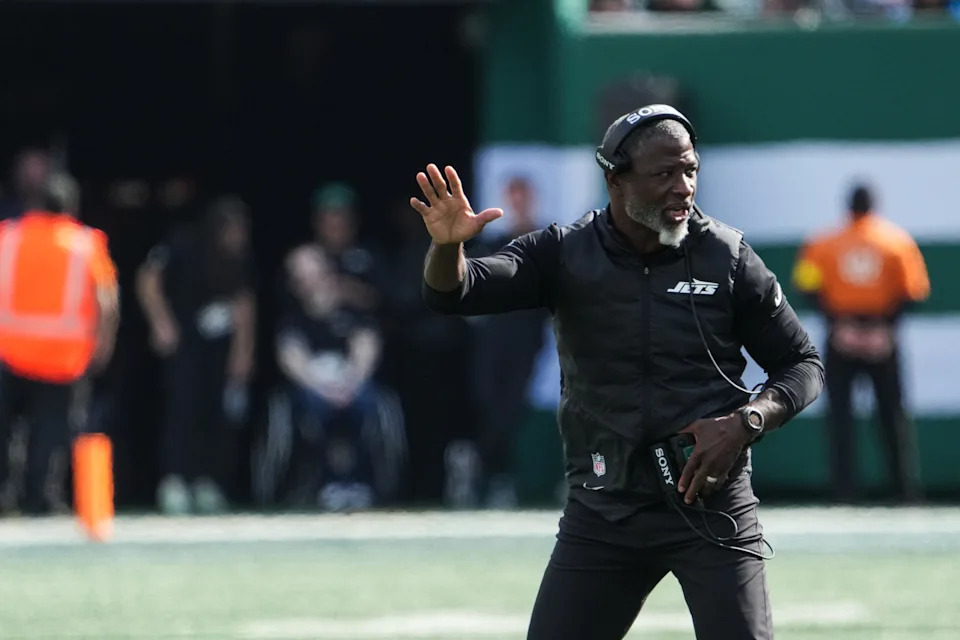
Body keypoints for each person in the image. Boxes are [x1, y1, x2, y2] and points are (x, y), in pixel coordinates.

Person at [411, 104, 824, 639]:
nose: (684, 187)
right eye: (664, 174)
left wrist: (747, 420)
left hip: (710, 506)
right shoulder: (564, 252)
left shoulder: (728, 256)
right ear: (615, 180)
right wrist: (447, 248)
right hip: (606, 511)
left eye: (691, 170)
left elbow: (803, 364)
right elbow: (454, 292)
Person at [793, 184, 930, 503]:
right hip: (881, 335)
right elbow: (914, 291)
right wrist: (882, 328)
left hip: (842, 334)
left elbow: (807, 287)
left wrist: (841, 326)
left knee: (840, 417)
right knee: (891, 416)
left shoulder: (823, 241)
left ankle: (843, 491)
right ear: (875, 205)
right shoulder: (896, 241)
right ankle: (903, 491)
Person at [0, 172, 119, 514]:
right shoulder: (85, 244)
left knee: (6, 429)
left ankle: (5, 495)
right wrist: (103, 345)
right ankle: (41, 497)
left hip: (8, 351)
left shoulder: (7, 237)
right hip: (62, 358)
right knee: (51, 432)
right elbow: (106, 300)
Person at [136, 195, 256, 515]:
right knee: (182, 411)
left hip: (218, 350)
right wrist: (161, 323)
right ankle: (174, 483)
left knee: (215, 414)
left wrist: (243, 355)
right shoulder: (184, 244)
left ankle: (206, 483)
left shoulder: (237, 259)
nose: (239, 237)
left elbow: (244, 305)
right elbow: (147, 279)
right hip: (183, 343)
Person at [275, 245, 382, 511]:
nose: (310, 283)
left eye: (315, 274)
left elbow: (366, 348)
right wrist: (323, 389)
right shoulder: (293, 321)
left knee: (368, 402)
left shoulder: (353, 315)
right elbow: (293, 360)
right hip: (313, 390)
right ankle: (327, 480)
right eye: (302, 278)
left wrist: (351, 383)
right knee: (312, 408)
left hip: (351, 386)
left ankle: (358, 480)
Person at [468, 175, 547, 508]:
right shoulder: (491, 243)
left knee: (511, 407)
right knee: (488, 399)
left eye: (522, 196)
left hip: (526, 337)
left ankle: (495, 475)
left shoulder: (544, 241)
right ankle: (490, 474)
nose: (517, 202)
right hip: (493, 337)